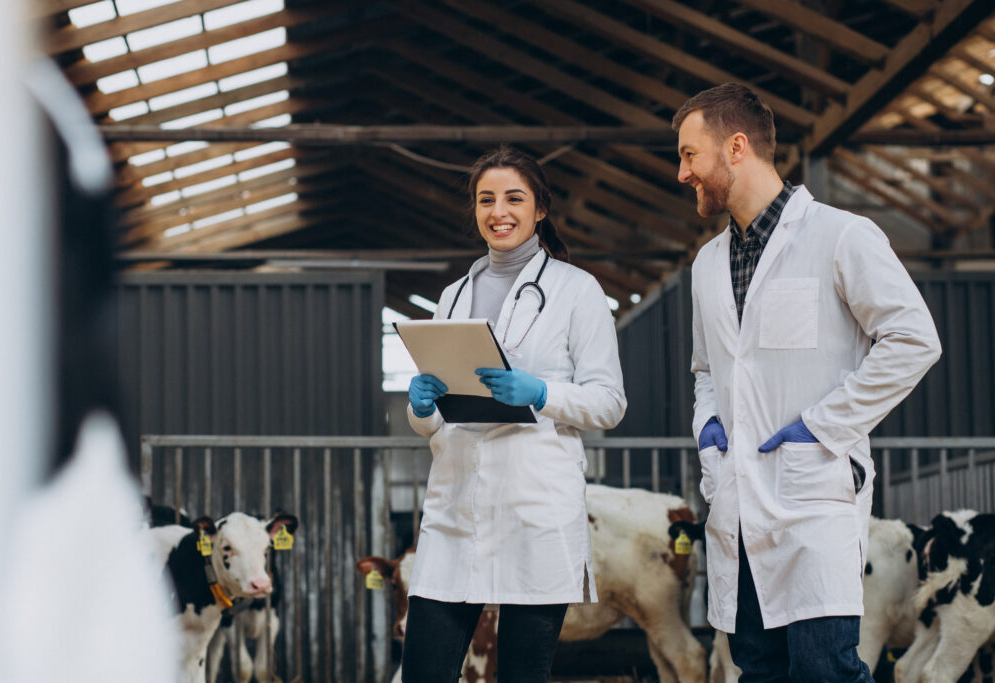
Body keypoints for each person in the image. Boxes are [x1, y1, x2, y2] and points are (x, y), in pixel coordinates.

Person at [675, 83, 941, 682]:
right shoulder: (707, 264)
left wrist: (823, 426)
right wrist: (708, 428)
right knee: (759, 669)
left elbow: (915, 340)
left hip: (811, 493)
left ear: (736, 147)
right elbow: (705, 371)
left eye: (691, 155)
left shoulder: (840, 236)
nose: (682, 172)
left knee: (826, 671)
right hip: (738, 503)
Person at [402, 145, 627, 682]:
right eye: (486, 200)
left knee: (523, 676)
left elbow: (610, 402)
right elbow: (439, 424)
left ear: (540, 209)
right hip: (456, 509)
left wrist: (541, 393)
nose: (498, 211)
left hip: (535, 511)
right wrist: (422, 410)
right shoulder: (453, 296)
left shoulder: (578, 291)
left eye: (513, 198)